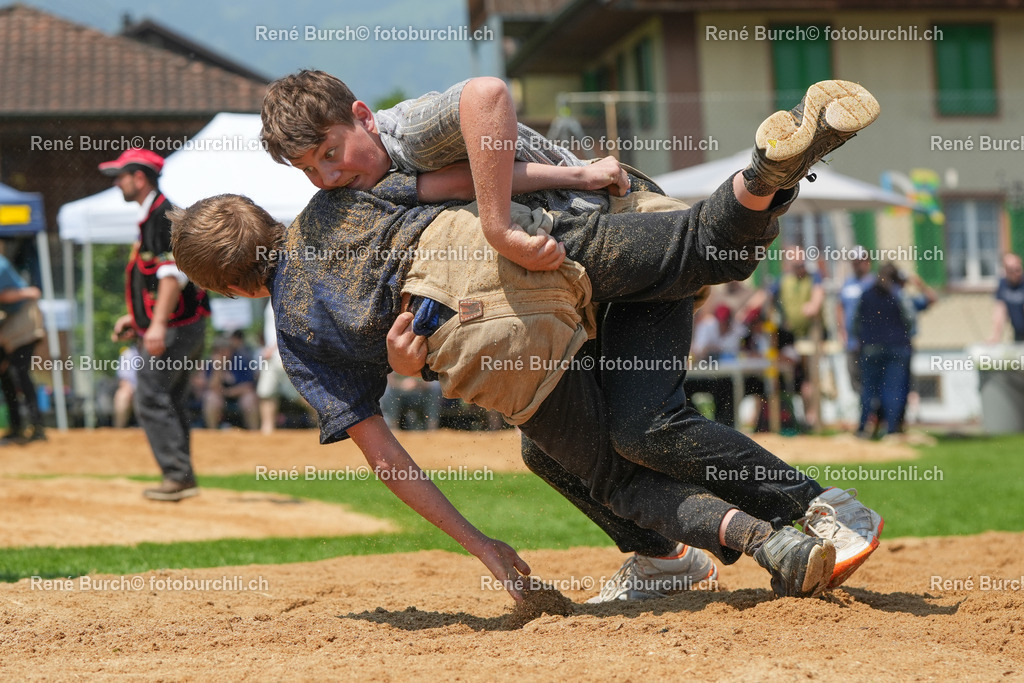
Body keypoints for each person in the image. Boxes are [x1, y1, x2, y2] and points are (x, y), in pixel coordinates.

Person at [171, 79, 884, 602]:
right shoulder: (346, 199)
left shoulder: (300, 323)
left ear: (230, 290)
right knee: (696, 260)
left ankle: (772, 536)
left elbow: (385, 454)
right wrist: (549, 191)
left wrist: (482, 543)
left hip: (508, 326)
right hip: (553, 241)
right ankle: (763, 174)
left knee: (625, 462)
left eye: (327, 155)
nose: (326, 174)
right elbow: (448, 182)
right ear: (268, 212)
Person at [100, 148, 210, 501]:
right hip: (184, 324)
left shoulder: (161, 216)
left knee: (150, 392)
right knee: (170, 397)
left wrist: (157, 325)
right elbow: (154, 280)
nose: (117, 183)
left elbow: (170, 277)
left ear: (139, 178)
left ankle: (177, 476)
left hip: (177, 326)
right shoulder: (155, 215)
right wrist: (138, 319)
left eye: (121, 176)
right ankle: (181, 476)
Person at [853, 263, 915, 437]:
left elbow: (855, 322)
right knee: (893, 389)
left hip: (870, 346)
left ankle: (863, 428)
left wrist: (859, 339)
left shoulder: (865, 294)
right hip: (897, 346)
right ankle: (891, 429)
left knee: (868, 389)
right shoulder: (898, 295)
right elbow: (909, 320)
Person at [0, 252, 46, 444]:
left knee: (19, 372)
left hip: (25, 321)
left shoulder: (0, 265)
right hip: (11, 321)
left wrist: (28, 292)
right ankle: (17, 427)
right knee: (7, 374)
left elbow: (4, 295)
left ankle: (37, 427)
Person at [203, 335, 259, 430]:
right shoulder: (212, 364)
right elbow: (212, 387)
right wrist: (218, 369)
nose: (221, 354)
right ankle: (212, 432)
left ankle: (254, 431)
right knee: (210, 398)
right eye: (218, 351)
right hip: (220, 397)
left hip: (239, 396)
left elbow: (248, 386)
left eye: (224, 350)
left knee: (250, 399)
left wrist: (228, 392)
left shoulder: (242, 361)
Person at [989, 253, 1024, 343]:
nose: (1018, 272)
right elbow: (1000, 310)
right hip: (1019, 333)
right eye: (1013, 270)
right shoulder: (1003, 284)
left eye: (1018, 268)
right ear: (1006, 271)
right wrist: (996, 336)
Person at [113, 345, 140, 428]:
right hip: (133, 390)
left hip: (152, 391)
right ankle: (119, 431)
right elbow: (123, 381)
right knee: (122, 396)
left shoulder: (158, 351)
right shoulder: (128, 354)